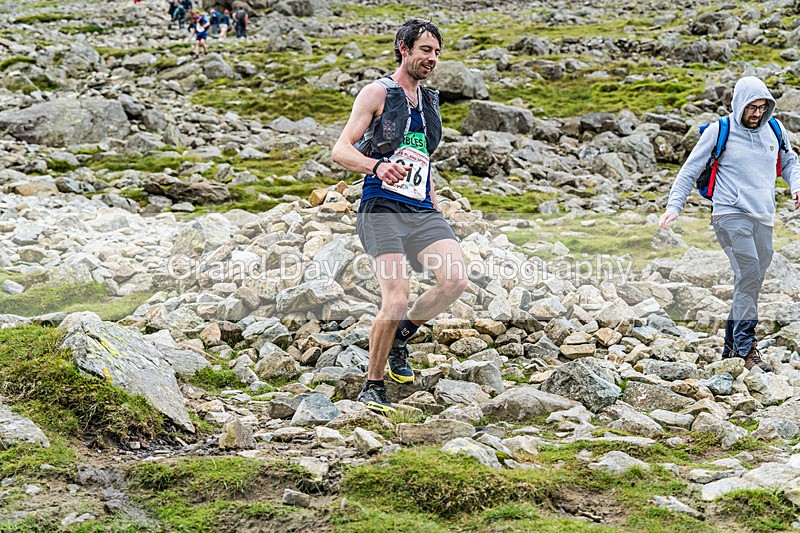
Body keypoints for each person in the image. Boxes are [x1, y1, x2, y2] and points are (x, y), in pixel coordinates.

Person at [331, 19, 469, 413]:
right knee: (395, 298)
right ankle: (372, 386)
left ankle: (401, 338)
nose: (433, 59)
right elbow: (340, 150)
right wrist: (375, 167)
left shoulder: (428, 101)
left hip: (422, 209)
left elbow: (420, 157)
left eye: (437, 52)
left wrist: (433, 200)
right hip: (382, 209)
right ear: (403, 48)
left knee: (455, 280)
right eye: (426, 50)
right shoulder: (377, 92)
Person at [659, 76, 800, 372]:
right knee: (749, 270)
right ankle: (747, 349)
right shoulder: (718, 131)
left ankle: (730, 350)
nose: (758, 114)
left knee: (750, 280)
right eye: (752, 108)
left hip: (763, 215)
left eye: (763, 108)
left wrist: (796, 185)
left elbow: (789, 163)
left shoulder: (775, 129)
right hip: (729, 214)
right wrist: (674, 206)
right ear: (739, 104)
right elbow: (689, 171)